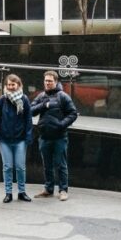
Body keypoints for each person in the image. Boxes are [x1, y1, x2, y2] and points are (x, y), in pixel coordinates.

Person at [31, 70, 79, 201]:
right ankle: (48, 189)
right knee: (47, 165)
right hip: (44, 137)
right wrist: (44, 105)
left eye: (50, 81)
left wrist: (61, 124)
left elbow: (73, 113)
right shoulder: (41, 96)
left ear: (56, 82)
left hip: (59, 137)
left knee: (61, 165)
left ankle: (63, 190)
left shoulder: (63, 96)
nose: (47, 83)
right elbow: (31, 111)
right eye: (46, 81)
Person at [0, 74, 32, 203]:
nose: (10, 87)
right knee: (7, 167)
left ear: (19, 85)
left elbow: (28, 119)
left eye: (13, 84)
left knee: (20, 167)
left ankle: (22, 192)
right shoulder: (2, 100)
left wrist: (28, 136)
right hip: (4, 139)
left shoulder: (24, 99)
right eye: (8, 84)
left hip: (20, 139)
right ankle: (8, 193)